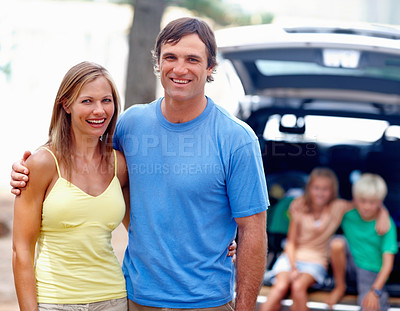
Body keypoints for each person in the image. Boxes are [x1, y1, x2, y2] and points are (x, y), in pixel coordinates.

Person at [11, 17, 268, 311]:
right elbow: (83, 155)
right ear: (158, 63)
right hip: (135, 300)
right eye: (170, 57)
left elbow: (252, 231)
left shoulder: (237, 139)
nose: (180, 68)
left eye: (192, 59)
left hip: (206, 302)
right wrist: (27, 170)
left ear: (210, 67)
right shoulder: (131, 125)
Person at [12, 61, 130, 311]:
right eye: (87, 101)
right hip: (54, 302)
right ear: (66, 104)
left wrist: (223, 239)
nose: (99, 110)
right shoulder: (42, 163)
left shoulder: (120, 164)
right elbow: (21, 250)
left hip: (112, 299)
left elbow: (148, 229)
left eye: (106, 100)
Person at [259, 168, 389, 311]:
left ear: (332, 191)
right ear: (309, 189)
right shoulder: (299, 206)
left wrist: (383, 211)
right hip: (291, 258)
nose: (320, 193)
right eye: (316, 188)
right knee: (279, 288)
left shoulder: (337, 207)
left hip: (316, 260)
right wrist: (293, 267)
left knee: (298, 287)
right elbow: (290, 242)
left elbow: (366, 202)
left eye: (325, 189)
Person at [328, 173, 398, 311]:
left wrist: (375, 291)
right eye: (362, 201)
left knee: (370, 305)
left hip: (371, 271)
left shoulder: (386, 225)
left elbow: (388, 265)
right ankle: (339, 286)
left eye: (372, 202)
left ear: (380, 202)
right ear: (355, 199)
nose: (366, 206)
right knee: (337, 243)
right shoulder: (347, 213)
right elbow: (322, 205)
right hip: (349, 266)